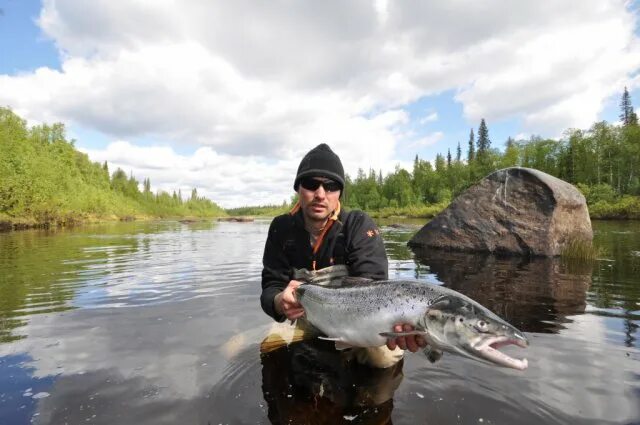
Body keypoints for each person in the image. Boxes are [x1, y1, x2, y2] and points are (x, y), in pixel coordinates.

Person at [260, 143, 425, 367]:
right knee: (270, 351)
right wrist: (280, 302)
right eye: (311, 184)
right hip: (302, 319)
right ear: (298, 188)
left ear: (339, 193)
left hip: (357, 322)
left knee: (384, 358)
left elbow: (375, 288)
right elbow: (271, 286)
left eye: (330, 186)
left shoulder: (357, 225)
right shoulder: (281, 227)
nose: (320, 194)